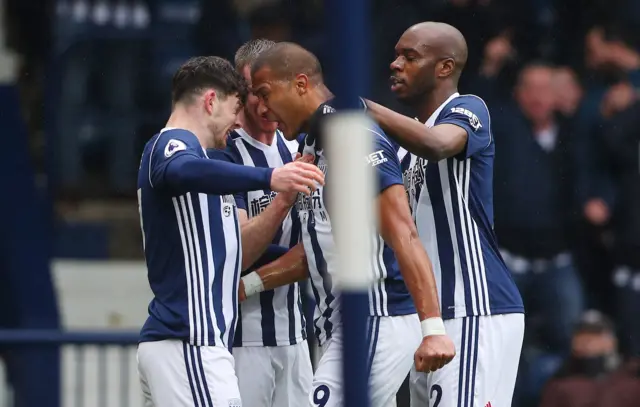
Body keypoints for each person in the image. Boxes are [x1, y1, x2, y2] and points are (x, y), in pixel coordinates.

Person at [242, 42, 455, 407]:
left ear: (301, 84)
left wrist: (432, 329)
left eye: (265, 93)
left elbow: (403, 232)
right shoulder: (317, 147)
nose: (262, 107)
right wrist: (246, 285)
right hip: (336, 325)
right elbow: (322, 250)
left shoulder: (352, 138)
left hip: (374, 316)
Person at [135, 55, 324, 407]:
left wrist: (319, 257)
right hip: (190, 342)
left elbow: (232, 250)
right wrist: (270, 177)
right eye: (235, 108)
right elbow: (179, 170)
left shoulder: (207, 166)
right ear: (210, 101)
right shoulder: (172, 144)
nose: (237, 121)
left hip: (189, 346)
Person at [363, 22, 525, 407]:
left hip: (474, 307)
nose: (395, 64)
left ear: (444, 67)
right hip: (432, 317)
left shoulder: (468, 109)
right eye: (396, 54)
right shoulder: (401, 148)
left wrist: (365, 108)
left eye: (410, 56)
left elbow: (438, 145)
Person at [225, 39, 313, 407]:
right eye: (254, 92)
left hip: (296, 336)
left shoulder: (300, 145)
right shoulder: (224, 154)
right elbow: (238, 254)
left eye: (271, 90)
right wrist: (284, 197)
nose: (265, 104)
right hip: (244, 342)